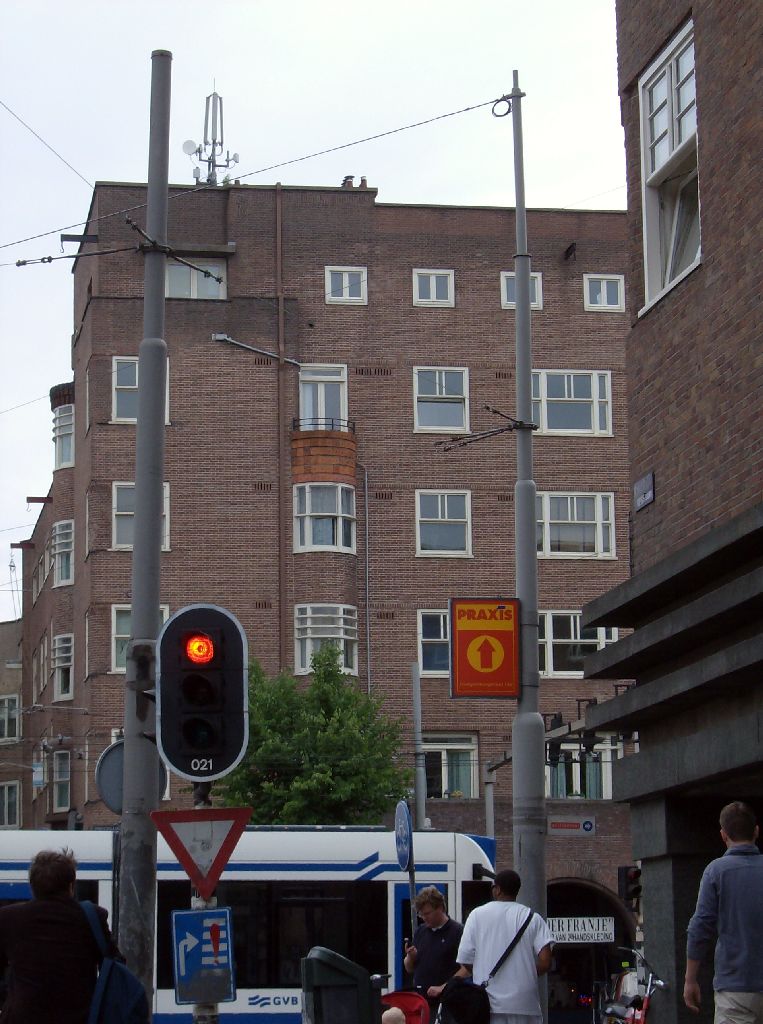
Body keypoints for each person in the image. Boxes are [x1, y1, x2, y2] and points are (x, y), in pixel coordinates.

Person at [0, 848, 122, 1024]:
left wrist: (10, 997)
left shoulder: (8, 918)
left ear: (32, 886)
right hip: (79, 1018)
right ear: (71, 886)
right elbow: (113, 965)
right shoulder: (92, 917)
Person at [684, 801, 763, 1024]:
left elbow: (700, 928)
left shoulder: (716, 872)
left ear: (723, 835)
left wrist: (690, 979)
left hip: (735, 989)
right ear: (756, 831)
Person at [444, 869, 554, 1024]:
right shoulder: (533, 918)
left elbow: (465, 959)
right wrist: (523, 972)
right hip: (525, 1004)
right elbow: (546, 961)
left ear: (497, 889)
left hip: (487, 1004)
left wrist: (482, 969)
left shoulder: (477, 915)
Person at [404, 885, 463, 1012]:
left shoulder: (458, 932)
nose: (424, 918)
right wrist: (411, 957)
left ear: (440, 908)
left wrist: (444, 987)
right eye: (421, 914)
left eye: (427, 913)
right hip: (421, 1002)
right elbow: (409, 968)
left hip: (447, 1003)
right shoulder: (421, 931)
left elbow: (467, 969)